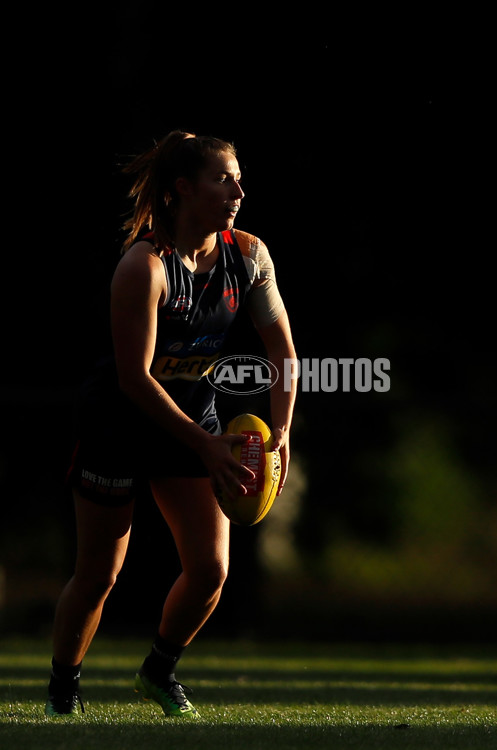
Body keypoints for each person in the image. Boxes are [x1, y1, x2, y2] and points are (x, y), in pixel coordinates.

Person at [45, 130, 297, 718]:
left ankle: (159, 671)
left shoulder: (250, 255)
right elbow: (135, 380)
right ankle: (63, 690)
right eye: (222, 178)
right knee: (99, 576)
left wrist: (281, 432)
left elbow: (283, 354)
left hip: (195, 415)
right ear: (183, 190)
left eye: (238, 177)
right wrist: (208, 446)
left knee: (211, 570)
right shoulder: (145, 265)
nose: (238, 188)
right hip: (121, 421)